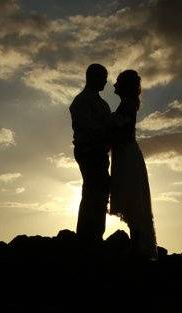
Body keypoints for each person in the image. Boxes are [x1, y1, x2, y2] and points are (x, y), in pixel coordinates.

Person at [109, 70, 158, 260]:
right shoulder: (127, 104)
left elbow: (122, 130)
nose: (114, 85)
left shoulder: (128, 105)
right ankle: (137, 244)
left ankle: (138, 246)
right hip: (124, 154)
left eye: (118, 82)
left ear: (125, 86)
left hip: (127, 155)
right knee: (132, 199)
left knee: (133, 199)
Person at [69, 64, 112, 244]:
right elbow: (86, 128)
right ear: (92, 77)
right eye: (103, 77)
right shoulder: (81, 101)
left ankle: (94, 234)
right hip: (89, 151)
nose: (105, 81)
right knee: (93, 191)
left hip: (100, 152)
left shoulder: (101, 103)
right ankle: (88, 235)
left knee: (100, 192)